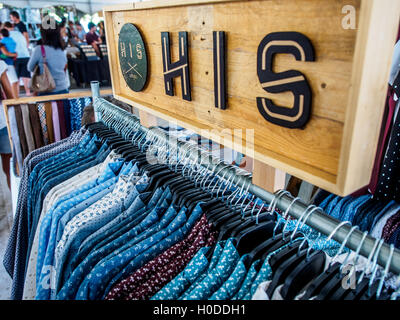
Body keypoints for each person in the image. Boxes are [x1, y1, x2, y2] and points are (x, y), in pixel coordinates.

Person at [27, 19, 69, 96]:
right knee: (62, 108)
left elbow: (30, 68)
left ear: (42, 33)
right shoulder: (61, 49)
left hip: (46, 90)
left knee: (42, 108)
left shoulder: (39, 50)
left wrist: (40, 68)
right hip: (63, 90)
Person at [4, 22, 31, 96]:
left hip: (16, 57)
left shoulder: (8, 36)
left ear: (5, 28)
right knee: (26, 76)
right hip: (26, 55)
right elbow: (26, 43)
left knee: (16, 78)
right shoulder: (19, 33)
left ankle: (17, 95)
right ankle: (28, 92)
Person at [0, 59, 15, 188]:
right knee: (9, 166)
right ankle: (14, 197)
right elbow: (10, 94)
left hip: (2, 122)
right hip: (2, 121)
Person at [0, 29, 18, 97]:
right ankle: (15, 98)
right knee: (13, 81)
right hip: (8, 63)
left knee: (13, 81)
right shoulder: (11, 40)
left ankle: (15, 98)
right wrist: (14, 54)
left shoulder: (2, 42)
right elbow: (6, 53)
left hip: (7, 63)